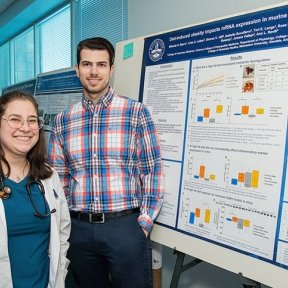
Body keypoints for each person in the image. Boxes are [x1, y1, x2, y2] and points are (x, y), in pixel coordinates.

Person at [48, 37, 164, 288]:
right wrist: (69, 225)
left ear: (111, 69)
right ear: (77, 69)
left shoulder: (136, 113)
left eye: (101, 64)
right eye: (87, 64)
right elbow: (59, 180)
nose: (93, 71)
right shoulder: (62, 122)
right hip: (79, 231)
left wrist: (142, 225)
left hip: (125, 228)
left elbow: (152, 172)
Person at [0, 91, 71, 288]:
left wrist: (60, 271)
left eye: (32, 121)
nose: (25, 128)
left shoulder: (48, 176)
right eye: (15, 119)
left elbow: (63, 230)